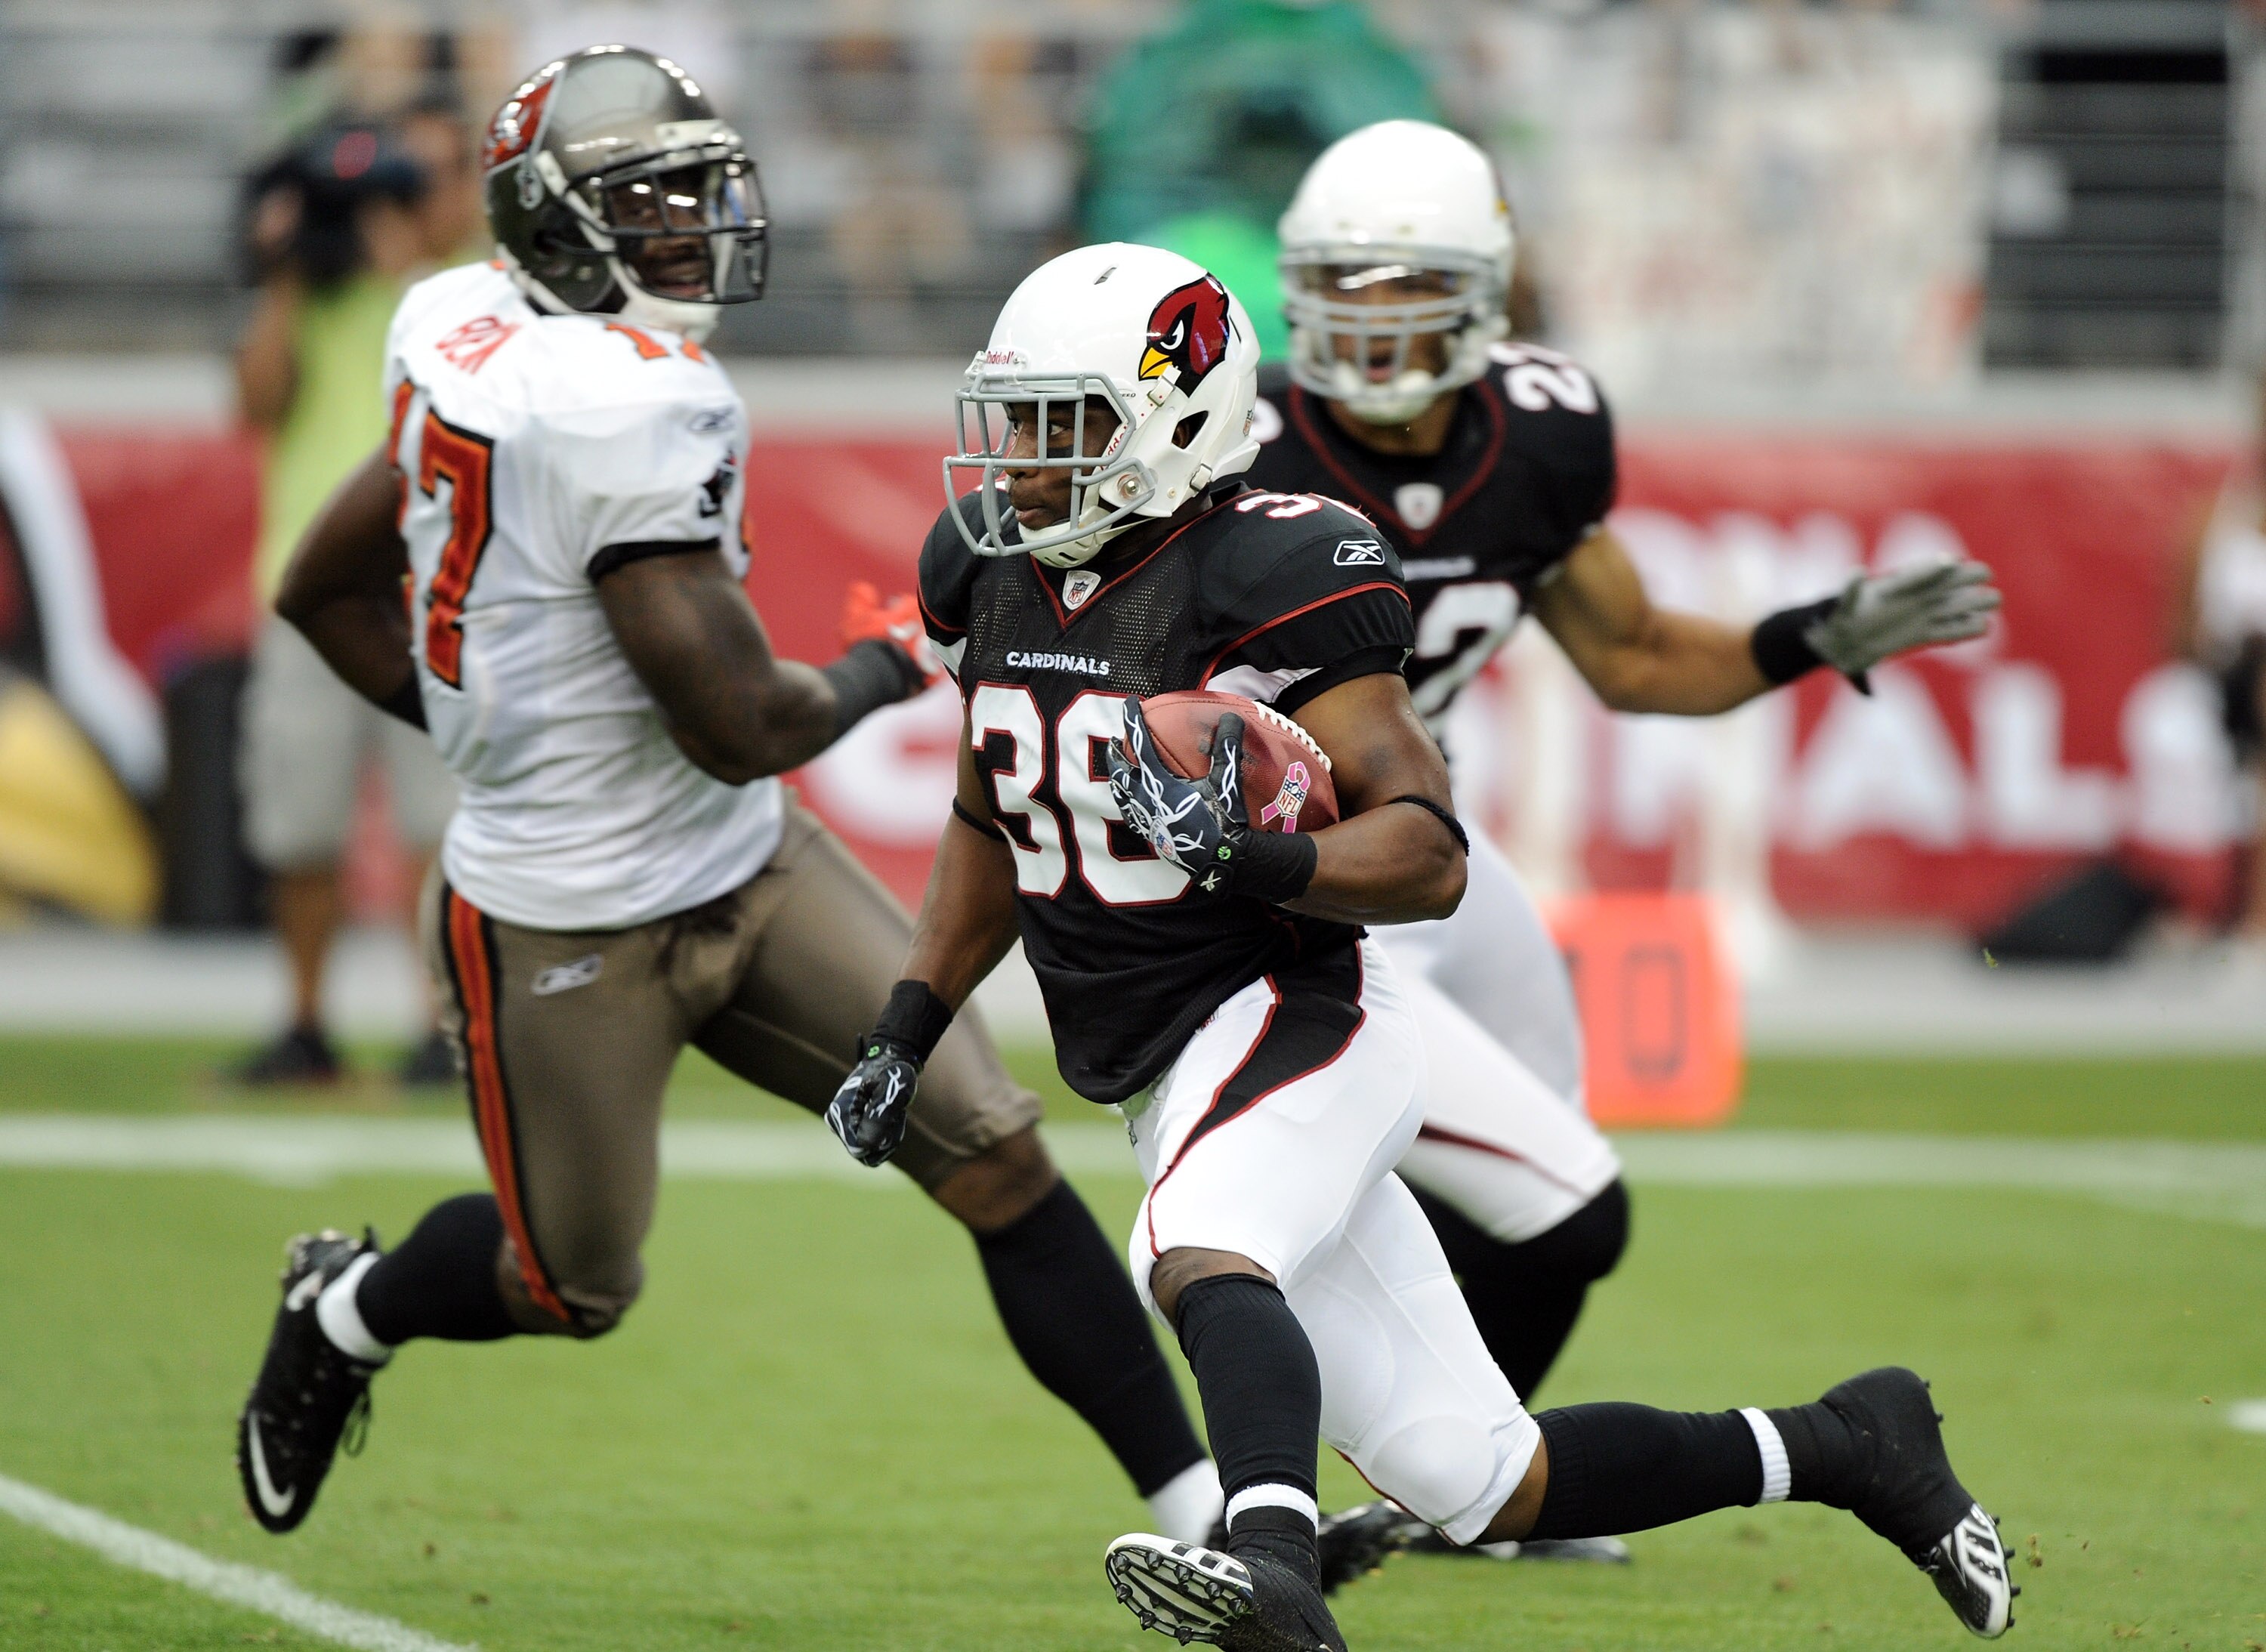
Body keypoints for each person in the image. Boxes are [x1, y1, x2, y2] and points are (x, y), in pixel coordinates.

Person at [826, 240, 2015, 1647]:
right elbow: (989, 810)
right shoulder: (987, 568)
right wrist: (906, 1029)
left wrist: (1245, 853)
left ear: (1176, 419)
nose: (1020, 462)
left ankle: (1269, 1567)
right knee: (1481, 1477)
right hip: (1157, 1059)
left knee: (1202, 1241)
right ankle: (1846, 1444)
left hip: (1289, 1006)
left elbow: (1430, 853)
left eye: (1063, 425)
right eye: (1013, 422)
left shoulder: (1273, 565)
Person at [230, 48, 1244, 1566]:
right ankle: (349, 1306)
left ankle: (1216, 1519)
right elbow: (736, 723)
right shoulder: (622, 401)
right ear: (557, 223)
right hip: (565, 907)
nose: (699, 220)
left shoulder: (456, 323)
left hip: (741, 865)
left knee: (992, 1148)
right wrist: (900, 658)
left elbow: (330, 584)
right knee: (570, 1279)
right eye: (653, 196)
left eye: (699, 184)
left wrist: (477, 712)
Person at [1243, 120, 2002, 1561]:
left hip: (1434, 850)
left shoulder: (1541, 434)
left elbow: (1639, 656)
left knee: (1551, 1181)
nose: (1371, 316)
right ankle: (1436, 1483)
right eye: (1343, 282)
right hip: (1305, 873)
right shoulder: (1248, 443)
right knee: (1509, 1194)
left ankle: (1480, 1485)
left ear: (1481, 292)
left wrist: (1805, 636)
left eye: (1406, 284)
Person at [233, 108, 480, 1085]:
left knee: (440, 822)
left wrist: (408, 264)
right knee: (299, 825)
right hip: (303, 593)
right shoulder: (318, 293)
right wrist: (287, 273)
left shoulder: (465, 296)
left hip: (433, 587)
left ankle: (437, 1028)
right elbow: (254, 404)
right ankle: (304, 1027)